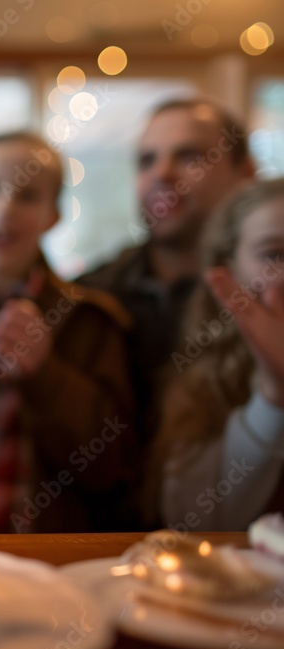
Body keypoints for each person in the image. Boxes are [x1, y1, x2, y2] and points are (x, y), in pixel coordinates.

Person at [0, 131, 138, 533]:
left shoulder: (89, 321)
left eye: (26, 196)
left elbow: (113, 467)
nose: (4, 208)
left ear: (53, 216)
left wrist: (48, 374)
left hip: (35, 551)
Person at [79, 99, 255, 442]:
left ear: (245, 174)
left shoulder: (265, 299)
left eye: (189, 156)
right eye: (147, 160)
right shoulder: (90, 297)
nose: (162, 173)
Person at [153, 178, 284, 530]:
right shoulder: (204, 383)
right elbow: (194, 524)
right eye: (273, 255)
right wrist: (274, 395)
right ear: (229, 270)